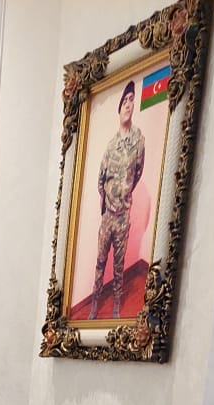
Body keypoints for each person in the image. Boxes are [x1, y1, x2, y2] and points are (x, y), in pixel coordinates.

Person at [87, 79, 145, 320]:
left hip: (123, 219)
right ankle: (94, 303)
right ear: (119, 108)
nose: (128, 105)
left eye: (132, 100)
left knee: (119, 267)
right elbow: (100, 181)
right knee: (100, 262)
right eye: (125, 101)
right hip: (108, 217)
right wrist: (107, 205)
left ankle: (116, 306)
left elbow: (138, 173)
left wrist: (124, 195)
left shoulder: (138, 141)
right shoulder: (111, 147)